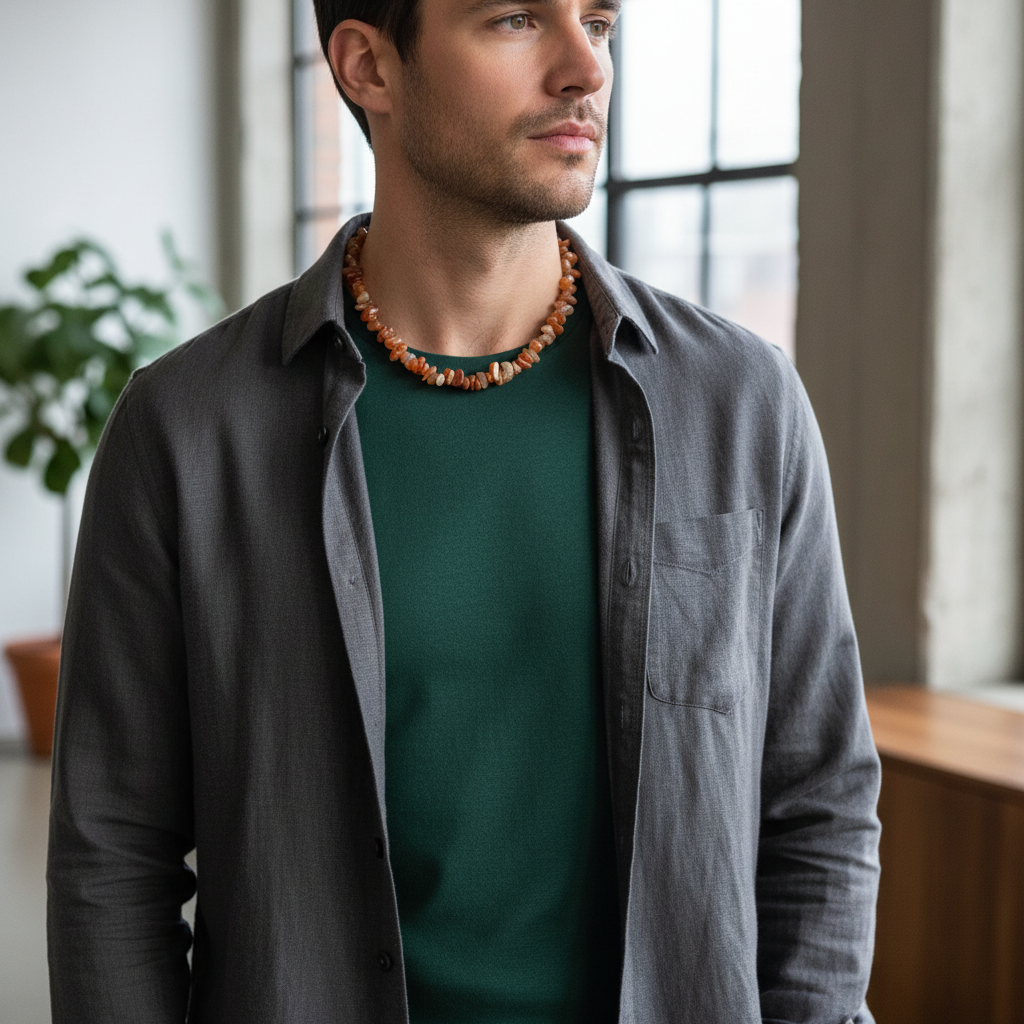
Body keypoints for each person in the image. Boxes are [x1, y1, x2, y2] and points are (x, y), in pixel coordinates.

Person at [46, 0, 881, 1021]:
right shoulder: (184, 428)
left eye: (601, 23)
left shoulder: (740, 403)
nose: (585, 68)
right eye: (516, 20)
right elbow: (111, 855)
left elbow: (819, 803)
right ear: (368, 66)